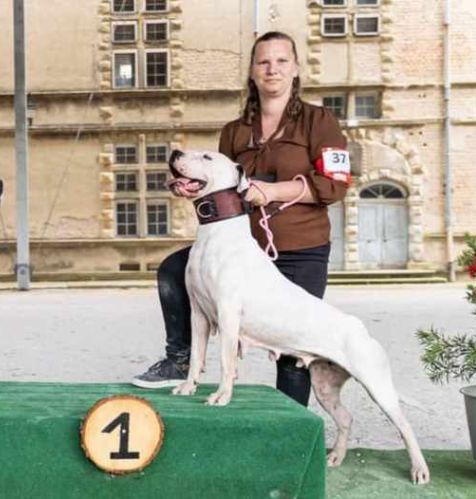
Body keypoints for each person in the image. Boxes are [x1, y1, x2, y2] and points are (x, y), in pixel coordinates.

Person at [131, 31, 350, 407]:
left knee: (293, 356)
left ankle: (289, 439)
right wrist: (192, 187)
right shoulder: (234, 132)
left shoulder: (320, 121)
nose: (273, 69)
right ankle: (179, 358)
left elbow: (336, 184)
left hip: (301, 249)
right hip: (241, 251)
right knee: (172, 270)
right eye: (264, 61)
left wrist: (272, 191)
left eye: (282, 61)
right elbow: (219, 192)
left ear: (296, 69)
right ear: (252, 71)